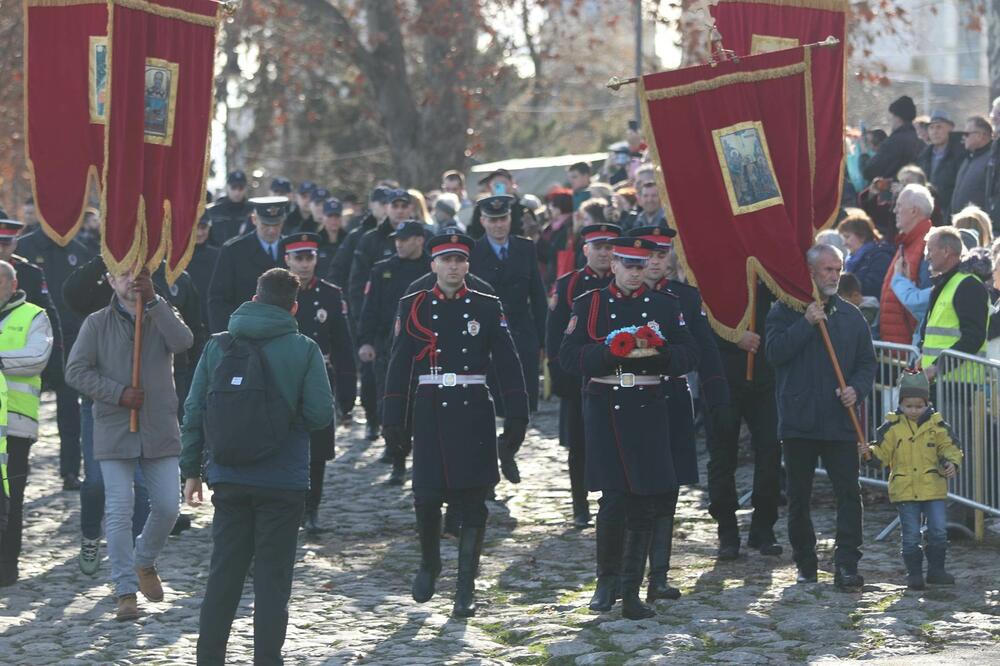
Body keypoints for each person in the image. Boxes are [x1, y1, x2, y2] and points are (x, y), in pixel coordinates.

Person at [181, 268, 334, 663]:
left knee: (224, 575)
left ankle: (209, 658)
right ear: (294, 307)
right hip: (282, 482)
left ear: (254, 299)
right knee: (272, 580)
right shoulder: (304, 349)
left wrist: (192, 470)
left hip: (229, 476)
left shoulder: (218, 346)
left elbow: (195, 409)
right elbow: (319, 414)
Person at [382, 233, 528, 618]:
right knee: (427, 498)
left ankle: (466, 585)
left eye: (460, 260)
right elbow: (398, 365)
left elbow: (508, 363)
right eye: (445, 260)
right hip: (430, 409)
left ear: (468, 265)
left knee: (473, 502)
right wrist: (393, 419)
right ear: (433, 265)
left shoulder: (486, 305)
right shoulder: (412, 305)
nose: (453, 266)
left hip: (473, 408)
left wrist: (517, 415)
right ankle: (430, 563)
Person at [560, 237, 700, 620]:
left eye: (641, 266)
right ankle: (606, 580)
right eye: (627, 265)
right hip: (605, 406)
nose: (634, 273)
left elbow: (690, 352)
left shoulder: (664, 306)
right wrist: (608, 353)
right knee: (613, 499)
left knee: (644, 499)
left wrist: (661, 354)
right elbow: (569, 356)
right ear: (614, 266)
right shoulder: (589, 303)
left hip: (649, 406)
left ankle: (632, 589)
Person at [65, 266, 192, 620]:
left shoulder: (161, 311)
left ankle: (144, 561)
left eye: (137, 274)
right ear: (109, 280)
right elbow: (75, 371)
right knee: (120, 509)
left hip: (159, 427)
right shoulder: (96, 323)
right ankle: (124, 590)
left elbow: (183, 342)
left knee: (168, 507)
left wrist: (154, 301)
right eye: (122, 274)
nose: (129, 280)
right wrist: (118, 394)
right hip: (115, 427)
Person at [630, 225, 734, 598]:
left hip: (671, 401)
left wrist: (717, 398)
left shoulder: (685, 299)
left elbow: (705, 352)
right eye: (649, 256)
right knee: (627, 491)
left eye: (661, 256)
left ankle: (659, 574)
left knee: (667, 488)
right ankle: (622, 575)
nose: (655, 263)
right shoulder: (619, 296)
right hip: (626, 404)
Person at [765, 244, 876, 591]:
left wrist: (856, 389)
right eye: (827, 269)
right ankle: (805, 562)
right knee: (799, 495)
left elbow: (866, 362)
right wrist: (806, 323)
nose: (833, 275)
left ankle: (846, 564)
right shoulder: (784, 311)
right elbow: (774, 353)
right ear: (810, 272)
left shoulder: (850, 315)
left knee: (848, 493)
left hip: (839, 419)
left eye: (838, 269)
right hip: (799, 419)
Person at [545, 222, 620, 528]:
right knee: (579, 445)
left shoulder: (623, 281)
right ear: (585, 250)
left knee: (614, 440)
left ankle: (611, 498)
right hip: (578, 376)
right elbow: (554, 335)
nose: (603, 253)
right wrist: (560, 374)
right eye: (598, 247)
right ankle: (580, 504)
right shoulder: (569, 285)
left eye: (609, 248)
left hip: (616, 374)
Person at [281, 233, 356, 533]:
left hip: (319, 378)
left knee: (318, 447)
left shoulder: (329, 294)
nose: (304, 264)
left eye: (308, 257)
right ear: (287, 259)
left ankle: (312, 509)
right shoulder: (275, 291)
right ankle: (288, 507)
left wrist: (347, 394)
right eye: (298, 257)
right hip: (284, 378)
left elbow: (342, 344)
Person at [862, 372, 962, 590]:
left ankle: (936, 570)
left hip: (933, 487)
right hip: (905, 490)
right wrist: (868, 453)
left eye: (919, 406)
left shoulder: (939, 426)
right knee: (910, 535)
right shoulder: (891, 427)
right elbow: (881, 454)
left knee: (938, 531)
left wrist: (952, 463)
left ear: (928, 403)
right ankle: (914, 574)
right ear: (901, 404)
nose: (914, 410)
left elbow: (951, 448)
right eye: (909, 406)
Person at [15, 221, 95, 490]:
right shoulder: (24, 246)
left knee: (70, 411)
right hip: (26, 343)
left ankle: (70, 471)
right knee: (19, 411)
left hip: (69, 340)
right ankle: (17, 465)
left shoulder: (80, 251)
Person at [358, 221, 430, 484]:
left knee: (424, 408)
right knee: (392, 403)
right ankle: (397, 459)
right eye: (396, 239)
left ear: (420, 240)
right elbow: (370, 309)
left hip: (426, 347)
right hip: (389, 346)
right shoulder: (382, 270)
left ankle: (424, 461)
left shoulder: (431, 269)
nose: (398, 243)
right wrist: (365, 341)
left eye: (405, 238)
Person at [0, 260, 54, 587]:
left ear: (13, 283)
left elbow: (36, 357)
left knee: (12, 499)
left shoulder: (34, 315)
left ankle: (6, 567)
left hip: (16, 426)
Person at [469, 195, 547, 414]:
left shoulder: (525, 248)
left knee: (522, 402)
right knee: (491, 402)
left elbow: (538, 295)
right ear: (483, 221)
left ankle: (513, 441)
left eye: (503, 218)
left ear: (510, 218)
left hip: (522, 331)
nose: (498, 225)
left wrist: (543, 339)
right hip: (488, 335)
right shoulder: (473, 252)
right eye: (492, 220)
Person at [207, 197, 289, 333]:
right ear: (254, 220)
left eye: (276, 224)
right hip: (245, 333)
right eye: (266, 224)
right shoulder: (234, 250)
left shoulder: (292, 249)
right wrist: (227, 337)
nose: (272, 231)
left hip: (284, 333)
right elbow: (218, 300)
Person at [918, 226, 990, 381]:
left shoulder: (968, 285)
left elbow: (973, 337)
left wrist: (938, 367)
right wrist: (923, 359)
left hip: (959, 385)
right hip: (940, 381)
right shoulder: (944, 284)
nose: (927, 257)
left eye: (930, 250)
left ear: (946, 251)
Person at [880, 184, 934, 344]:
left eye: (899, 205)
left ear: (914, 210)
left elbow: (927, 302)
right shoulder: (907, 243)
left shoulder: (928, 244)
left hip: (909, 350)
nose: (894, 211)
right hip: (896, 347)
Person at [862, 96, 925, 181]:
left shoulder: (893, 142)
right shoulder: (920, 142)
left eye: (892, 117)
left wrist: (864, 155)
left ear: (898, 117)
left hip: (892, 191)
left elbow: (870, 171)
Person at [915, 112, 963, 217]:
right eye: (931, 128)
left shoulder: (960, 154)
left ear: (950, 128)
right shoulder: (923, 156)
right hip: (929, 212)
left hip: (951, 212)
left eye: (939, 127)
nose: (935, 132)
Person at [838, 209, 894, 298]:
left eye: (847, 237)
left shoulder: (880, 257)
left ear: (862, 236)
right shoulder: (851, 260)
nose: (844, 243)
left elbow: (873, 287)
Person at [466, 169, 535, 239]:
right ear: (490, 187)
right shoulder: (481, 209)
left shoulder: (523, 209)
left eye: (504, 183)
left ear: (512, 184)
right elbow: (474, 233)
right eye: (496, 184)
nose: (500, 187)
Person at [951, 116, 994, 214]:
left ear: (981, 135)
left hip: (979, 225)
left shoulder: (992, 161)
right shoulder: (968, 159)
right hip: (961, 222)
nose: (963, 137)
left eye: (967, 134)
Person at [207, 170, 254, 245]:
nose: (237, 192)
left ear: (245, 188)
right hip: (218, 254)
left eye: (241, 188)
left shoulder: (253, 211)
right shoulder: (214, 211)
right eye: (233, 187)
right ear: (227, 187)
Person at [316, 198, 348, 279]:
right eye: (330, 216)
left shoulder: (348, 241)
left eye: (337, 216)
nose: (334, 220)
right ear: (323, 217)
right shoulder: (316, 241)